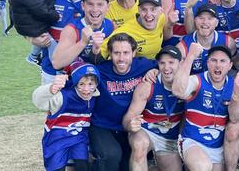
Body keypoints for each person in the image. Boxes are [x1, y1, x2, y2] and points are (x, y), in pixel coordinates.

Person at [172, 44, 239, 171]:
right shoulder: (198, 80)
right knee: (203, 167)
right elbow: (178, 91)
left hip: (217, 148)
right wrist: (190, 56)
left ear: (230, 66)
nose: (218, 65)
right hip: (192, 142)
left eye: (222, 61)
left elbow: (234, 118)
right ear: (207, 63)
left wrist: (235, 96)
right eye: (214, 60)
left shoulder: (236, 86)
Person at [90, 33, 156, 171]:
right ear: (110, 54)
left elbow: (166, 66)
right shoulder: (101, 71)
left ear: (133, 53)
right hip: (103, 125)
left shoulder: (143, 65)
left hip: (129, 128)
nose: (121, 58)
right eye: (117, 53)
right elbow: (80, 76)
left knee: (128, 164)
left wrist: (155, 70)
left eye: (126, 53)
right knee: (111, 156)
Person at [123, 46, 185, 171]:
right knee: (140, 146)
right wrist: (130, 125)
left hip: (169, 138)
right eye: (162, 63)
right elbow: (128, 118)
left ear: (181, 63)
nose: (166, 68)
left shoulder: (189, 86)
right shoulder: (147, 86)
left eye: (171, 62)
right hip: (146, 131)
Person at [32, 62, 100, 171]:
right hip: (57, 138)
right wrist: (50, 89)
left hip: (79, 138)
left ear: (97, 84)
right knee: (57, 168)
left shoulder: (96, 96)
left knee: (83, 165)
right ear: (75, 83)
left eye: (91, 84)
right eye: (81, 84)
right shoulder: (63, 96)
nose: (87, 89)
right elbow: (38, 101)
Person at [39, 0, 90, 84]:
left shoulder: (93, 0)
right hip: (52, 71)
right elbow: (27, 20)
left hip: (85, 71)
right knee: (52, 103)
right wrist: (31, 38)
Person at [2, 0, 60, 67]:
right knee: (52, 44)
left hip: (29, 26)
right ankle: (58, 66)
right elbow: (41, 11)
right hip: (32, 27)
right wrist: (56, 15)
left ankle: (33, 56)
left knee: (43, 37)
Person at [100, 0, 177, 60]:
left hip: (157, 62)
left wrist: (170, 24)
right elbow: (99, 54)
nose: (148, 14)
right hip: (138, 69)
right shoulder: (125, 31)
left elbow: (167, 37)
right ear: (139, 10)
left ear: (161, 10)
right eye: (144, 9)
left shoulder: (162, 18)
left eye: (153, 9)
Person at [51, 0, 114, 70]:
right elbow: (57, 63)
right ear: (83, 6)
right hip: (76, 79)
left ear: (107, 7)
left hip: (100, 76)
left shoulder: (110, 25)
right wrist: (83, 42)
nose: (95, 9)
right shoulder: (72, 29)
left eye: (100, 4)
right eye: (90, 4)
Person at [176, 3, 237, 74]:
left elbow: (237, 62)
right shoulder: (183, 47)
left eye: (210, 18)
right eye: (201, 18)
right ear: (195, 20)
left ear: (217, 22)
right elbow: (178, 77)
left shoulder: (228, 42)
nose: (205, 22)